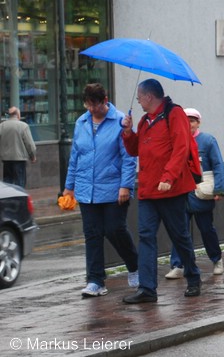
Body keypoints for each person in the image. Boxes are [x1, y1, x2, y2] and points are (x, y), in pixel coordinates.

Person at [120, 78, 202, 303]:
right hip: (148, 190)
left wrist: (168, 177)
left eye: (140, 97)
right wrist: (128, 132)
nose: (138, 101)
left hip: (171, 189)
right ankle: (147, 289)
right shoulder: (145, 120)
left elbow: (181, 148)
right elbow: (135, 149)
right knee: (146, 236)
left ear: (149, 96)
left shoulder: (174, 114)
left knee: (179, 236)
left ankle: (193, 277)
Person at [64, 83, 140, 297]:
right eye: (87, 105)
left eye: (94, 105)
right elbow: (75, 157)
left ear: (104, 101)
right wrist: (69, 187)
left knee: (115, 229)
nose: (91, 109)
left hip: (114, 188)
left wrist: (126, 185)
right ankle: (95, 280)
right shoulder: (82, 122)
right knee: (92, 234)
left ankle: (135, 266)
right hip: (86, 188)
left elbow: (128, 157)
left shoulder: (120, 121)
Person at [164, 108, 224, 280]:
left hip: (201, 192)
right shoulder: (175, 141)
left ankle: (217, 259)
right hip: (180, 193)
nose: (189, 124)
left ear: (198, 122)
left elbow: (218, 165)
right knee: (179, 230)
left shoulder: (207, 141)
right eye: (185, 120)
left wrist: (220, 189)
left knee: (206, 229)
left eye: (192, 120)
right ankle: (177, 265)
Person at [0, 106, 36, 188]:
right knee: (19, 183)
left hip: (6, 159)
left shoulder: (2, 126)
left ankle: (8, 200)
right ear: (17, 115)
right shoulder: (23, 126)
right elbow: (30, 144)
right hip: (19, 159)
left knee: (7, 182)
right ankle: (19, 200)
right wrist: (32, 156)